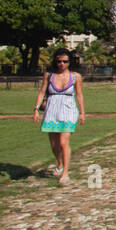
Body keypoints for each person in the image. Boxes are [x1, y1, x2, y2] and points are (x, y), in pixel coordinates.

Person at [33, 49, 85, 185]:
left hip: (68, 110)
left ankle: (65, 172)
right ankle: (60, 163)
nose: (62, 64)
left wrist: (82, 112)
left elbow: (79, 94)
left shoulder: (75, 77)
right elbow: (41, 92)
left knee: (63, 142)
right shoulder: (49, 76)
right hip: (52, 109)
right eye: (59, 61)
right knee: (54, 144)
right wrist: (36, 109)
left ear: (69, 62)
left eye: (65, 61)